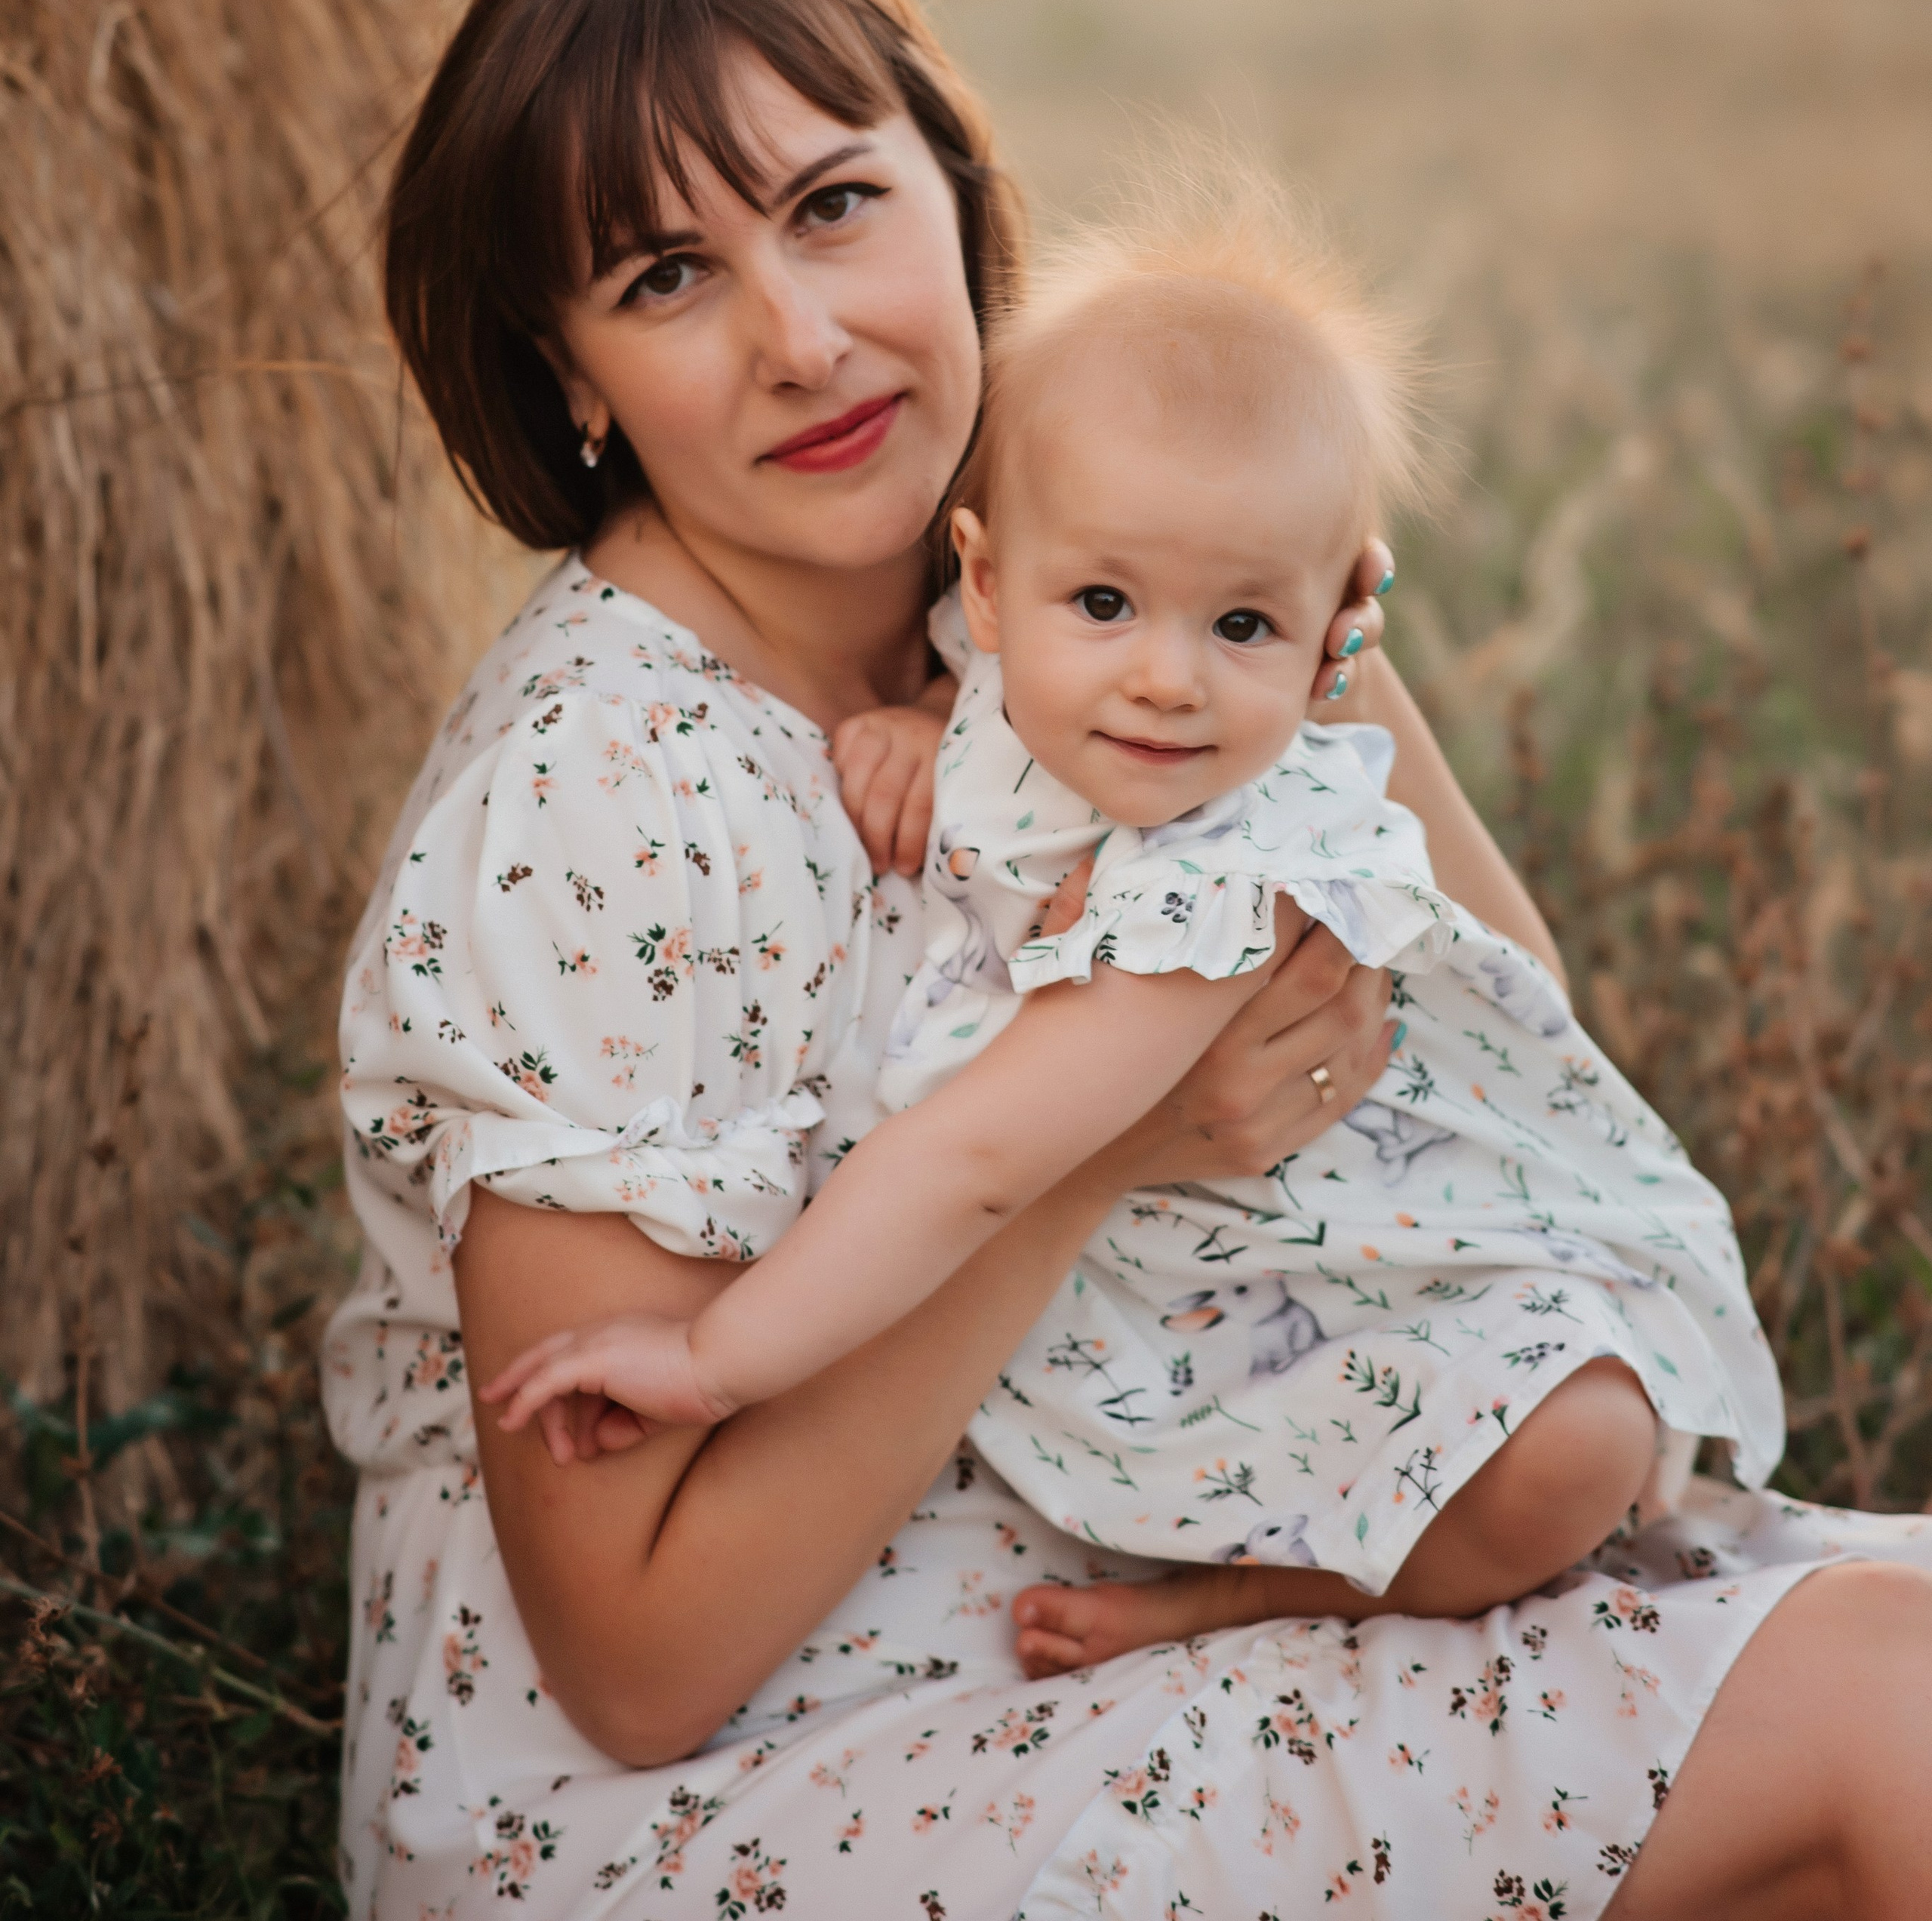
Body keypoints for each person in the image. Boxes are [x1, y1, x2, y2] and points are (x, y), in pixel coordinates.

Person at [327, 0, 1932, 1919]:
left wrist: (1269, 624)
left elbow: (1489, 1027)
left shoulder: (1074, 567)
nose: (805, 338)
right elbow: (638, 1658)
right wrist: (1107, 1143)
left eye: (835, 203)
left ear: (953, 184)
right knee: (1884, 1709)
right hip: (730, 1788)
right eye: (664, 277)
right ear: (566, 375)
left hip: (1110, 1561)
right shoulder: (594, 798)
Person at [478, 184, 1780, 1667]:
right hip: (1207, 1279)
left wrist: (712, 1358)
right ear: (983, 577)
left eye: (1240, 626)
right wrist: (928, 720)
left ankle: (1267, 1597)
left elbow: (972, 1160)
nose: (1163, 679)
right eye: (1105, 602)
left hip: (1376, 1289)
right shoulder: (1005, 652)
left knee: (1573, 1450)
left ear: (1330, 629)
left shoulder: (1215, 886)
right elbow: (1016, 700)